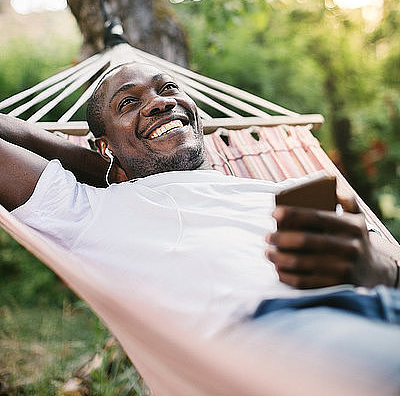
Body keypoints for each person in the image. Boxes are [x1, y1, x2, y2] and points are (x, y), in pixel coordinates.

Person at [1, 62, 400, 388]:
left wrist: (377, 267)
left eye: (168, 88)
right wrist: (101, 164)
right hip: (283, 337)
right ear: (104, 146)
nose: (159, 103)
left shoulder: (281, 187)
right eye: (128, 103)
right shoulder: (87, 209)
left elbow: (386, 259)